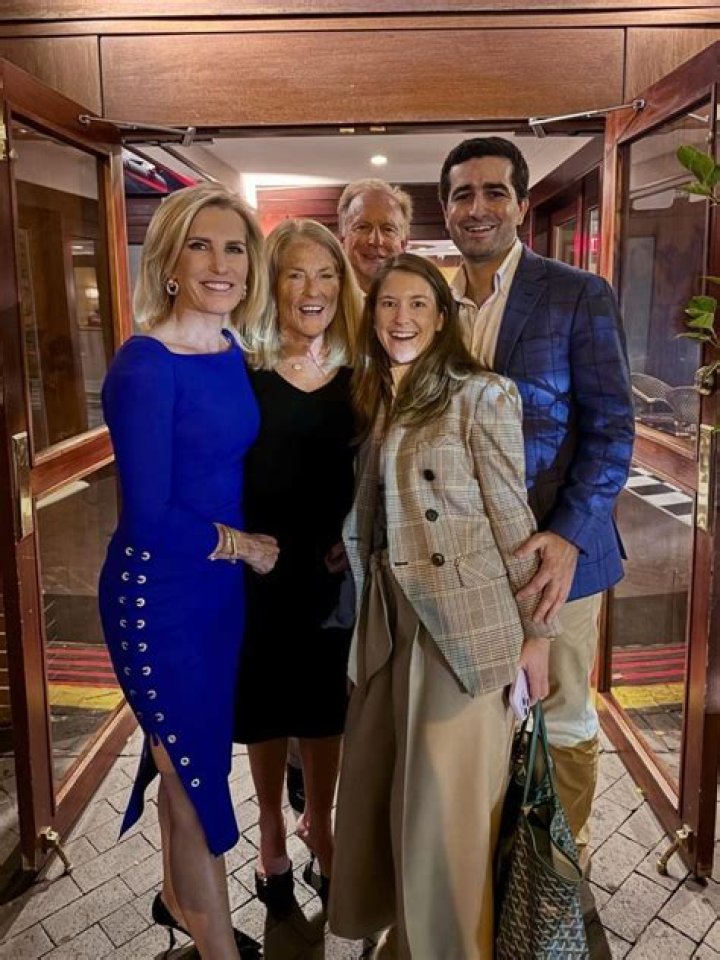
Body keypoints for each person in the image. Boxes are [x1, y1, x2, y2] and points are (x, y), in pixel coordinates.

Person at [329, 253, 557, 959]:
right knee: (389, 794)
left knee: (444, 817)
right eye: (388, 304)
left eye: (418, 305)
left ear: (441, 317)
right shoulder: (379, 392)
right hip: (388, 623)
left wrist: (537, 636)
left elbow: (514, 523)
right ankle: (406, 939)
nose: (401, 318)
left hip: (461, 628)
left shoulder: (479, 394)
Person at [439, 136, 635, 862]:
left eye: (495, 191)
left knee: (563, 711)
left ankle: (561, 868)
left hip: (558, 555)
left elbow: (612, 430)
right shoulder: (433, 303)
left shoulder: (577, 293)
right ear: (446, 209)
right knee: (483, 710)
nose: (478, 207)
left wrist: (570, 535)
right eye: (463, 194)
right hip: (466, 558)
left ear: (521, 205)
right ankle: (489, 867)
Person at [98, 183, 278, 960]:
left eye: (234, 247)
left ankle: (183, 903)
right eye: (200, 245)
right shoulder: (145, 365)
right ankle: (219, 948)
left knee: (183, 766)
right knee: (198, 773)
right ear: (169, 261)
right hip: (158, 597)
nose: (220, 263)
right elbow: (148, 519)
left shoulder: (231, 348)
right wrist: (246, 546)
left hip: (216, 598)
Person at [234, 219, 361, 914]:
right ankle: (271, 827)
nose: (313, 289)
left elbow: (380, 472)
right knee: (263, 705)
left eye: (327, 274)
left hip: (330, 570)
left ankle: (321, 823)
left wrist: (356, 534)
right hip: (256, 568)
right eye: (296, 274)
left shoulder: (361, 373)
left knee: (322, 704)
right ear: (272, 284)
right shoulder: (241, 370)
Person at [337, 178, 412, 293]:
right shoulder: (321, 299)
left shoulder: (423, 300)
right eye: (362, 227)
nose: (376, 240)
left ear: (403, 243)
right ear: (342, 238)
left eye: (388, 229)